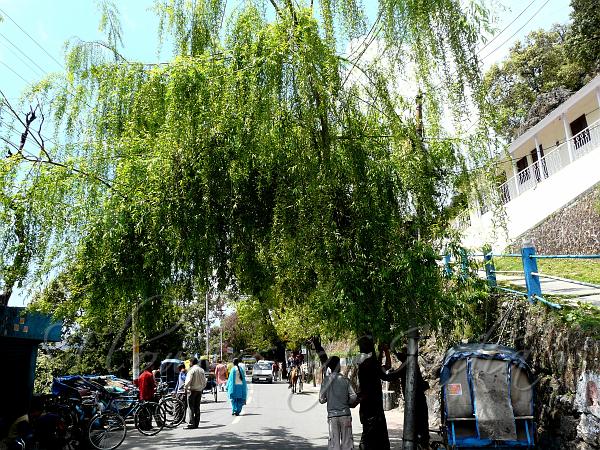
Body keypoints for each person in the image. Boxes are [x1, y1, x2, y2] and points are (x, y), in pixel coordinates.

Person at [319, 356, 357, 450]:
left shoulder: (326, 381)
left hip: (332, 417)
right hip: (345, 415)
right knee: (347, 443)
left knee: (334, 444)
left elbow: (321, 399)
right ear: (339, 366)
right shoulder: (345, 380)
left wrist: (329, 398)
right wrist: (347, 402)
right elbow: (354, 396)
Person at [184, 357, 207, 429]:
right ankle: (196, 423)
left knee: (191, 407)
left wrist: (185, 388)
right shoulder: (201, 370)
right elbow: (204, 381)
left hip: (192, 390)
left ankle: (191, 423)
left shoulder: (191, 370)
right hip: (199, 391)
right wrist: (201, 387)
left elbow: (188, 381)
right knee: (197, 407)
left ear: (191, 363)